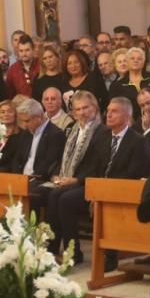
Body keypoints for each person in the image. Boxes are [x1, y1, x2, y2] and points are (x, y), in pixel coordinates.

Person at [91, 97, 150, 271]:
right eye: (108, 111)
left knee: (107, 205)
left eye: (114, 111)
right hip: (101, 189)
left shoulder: (138, 141)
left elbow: (136, 173)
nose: (108, 115)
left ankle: (110, 256)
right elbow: (94, 168)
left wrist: (108, 188)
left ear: (127, 116)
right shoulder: (101, 137)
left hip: (125, 190)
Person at [44, 91, 105, 262]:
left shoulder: (102, 132)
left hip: (89, 182)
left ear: (94, 108)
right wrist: (56, 174)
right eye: (78, 109)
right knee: (54, 193)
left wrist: (77, 180)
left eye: (86, 108)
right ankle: (52, 248)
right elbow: (60, 156)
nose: (82, 112)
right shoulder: (72, 129)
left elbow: (97, 165)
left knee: (65, 199)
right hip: (68, 178)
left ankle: (74, 252)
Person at [9, 99, 67, 195]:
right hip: (22, 179)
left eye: (27, 121)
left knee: (27, 191)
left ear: (39, 117)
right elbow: (17, 159)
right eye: (22, 121)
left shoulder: (56, 134)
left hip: (41, 180)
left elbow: (49, 164)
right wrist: (17, 177)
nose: (24, 125)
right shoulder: (26, 133)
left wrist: (29, 179)